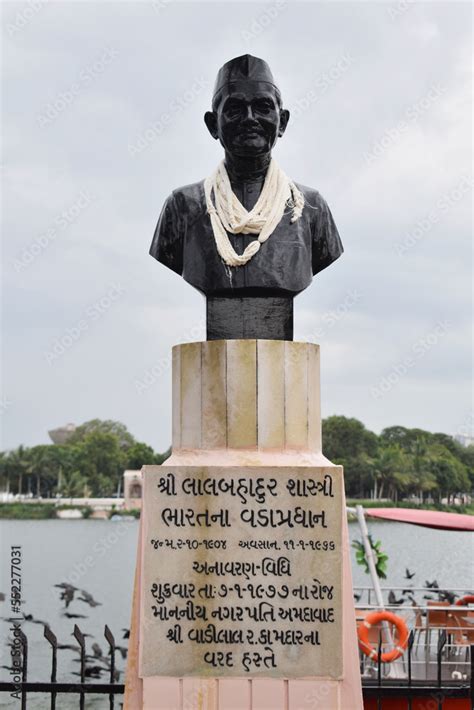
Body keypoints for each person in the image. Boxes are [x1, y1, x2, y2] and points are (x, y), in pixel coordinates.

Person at [150, 54, 343, 340]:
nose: (250, 119)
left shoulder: (311, 209)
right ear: (212, 124)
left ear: (283, 122)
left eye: (263, 107)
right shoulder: (183, 208)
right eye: (235, 109)